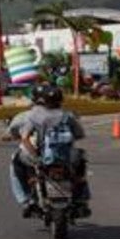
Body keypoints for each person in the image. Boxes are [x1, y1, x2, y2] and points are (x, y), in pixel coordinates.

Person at [6, 84, 91, 219]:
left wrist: (36, 156)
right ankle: (81, 199)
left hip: (41, 156)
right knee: (81, 163)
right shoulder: (67, 116)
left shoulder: (31, 116)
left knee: (16, 162)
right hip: (66, 157)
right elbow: (80, 134)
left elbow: (22, 137)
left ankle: (27, 201)